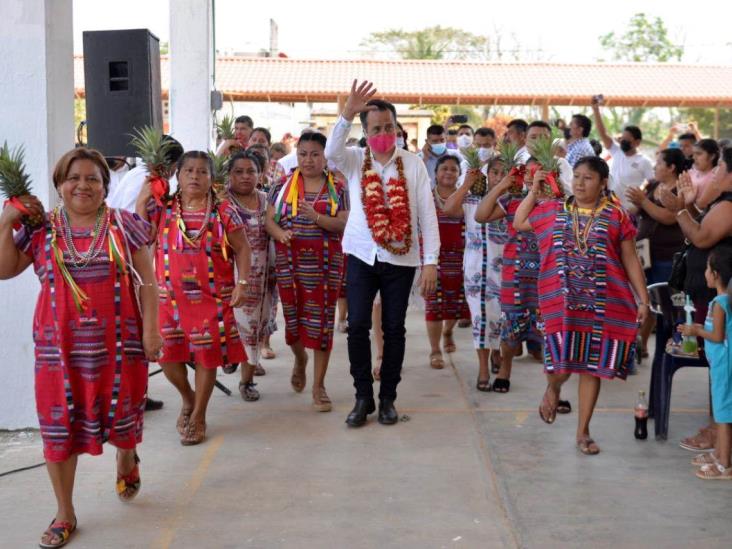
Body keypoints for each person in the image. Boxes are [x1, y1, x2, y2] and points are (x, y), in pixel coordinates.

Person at [0, 147, 162, 547]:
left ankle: (126, 458)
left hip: (121, 346)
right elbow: (4, 270)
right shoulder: (40, 229)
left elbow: (149, 281)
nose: (83, 185)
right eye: (74, 178)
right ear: (59, 184)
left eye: (93, 178)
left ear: (106, 186)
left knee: (123, 423)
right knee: (59, 430)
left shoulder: (125, 225)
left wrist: (152, 331)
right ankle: (64, 512)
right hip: (59, 351)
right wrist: (6, 222)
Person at [514, 156, 650, 455]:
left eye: (588, 177)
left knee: (591, 367)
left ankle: (583, 432)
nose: (579, 182)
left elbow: (629, 258)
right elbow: (520, 222)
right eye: (576, 176)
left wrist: (643, 298)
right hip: (561, 303)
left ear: (603, 183)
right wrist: (534, 193)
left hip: (602, 303)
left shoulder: (617, 215)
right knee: (559, 365)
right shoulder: (554, 209)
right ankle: (554, 387)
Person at [325, 80, 439, 427]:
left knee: (394, 328)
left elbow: (426, 213)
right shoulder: (355, 161)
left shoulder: (414, 164)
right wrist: (346, 114)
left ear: (397, 128)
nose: (384, 132)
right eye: (376, 128)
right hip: (361, 255)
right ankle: (363, 397)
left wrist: (430, 260)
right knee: (357, 325)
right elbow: (331, 154)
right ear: (366, 131)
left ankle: (388, 397)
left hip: (401, 260)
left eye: (389, 126)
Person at [136, 151, 251, 446]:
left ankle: (199, 414)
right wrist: (142, 198)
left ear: (212, 178)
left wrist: (242, 282)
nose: (195, 177)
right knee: (166, 354)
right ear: (178, 175)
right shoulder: (164, 207)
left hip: (211, 298)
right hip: (168, 298)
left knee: (205, 356)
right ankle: (187, 397)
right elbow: (139, 235)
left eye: (202, 172)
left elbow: (243, 248)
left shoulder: (223, 210)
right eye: (189, 171)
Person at [265, 132, 349, 412]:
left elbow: (343, 224)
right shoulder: (281, 185)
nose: (308, 159)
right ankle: (300, 359)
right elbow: (267, 221)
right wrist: (280, 234)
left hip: (326, 267)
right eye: (303, 153)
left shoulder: (338, 187)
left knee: (322, 326)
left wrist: (317, 218)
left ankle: (319, 385)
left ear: (325, 156)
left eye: (314, 154)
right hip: (291, 265)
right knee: (293, 323)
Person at [660, 147, 732, 452]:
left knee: (720, 364)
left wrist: (678, 210)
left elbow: (701, 238)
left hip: (717, 295)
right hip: (707, 290)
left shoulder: (729, 207)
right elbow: (697, 230)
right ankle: (717, 426)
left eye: (720, 168)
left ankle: (720, 432)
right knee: (717, 363)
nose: (714, 173)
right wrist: (686, 207)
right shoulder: (721, 204)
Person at [474, 158, 544, 393]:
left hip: (547, 274)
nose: (532, 177)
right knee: (511, 323)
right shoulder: (513, 201)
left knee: (548, 326)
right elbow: (480, 216)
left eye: (538, 173)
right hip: (514, 273)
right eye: (529, 173)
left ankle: (553, 386)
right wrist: (502, 185)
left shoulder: (556, 202)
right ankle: (505, 370)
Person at [444, 155, 508, 388]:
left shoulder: (513, 202)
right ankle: (483, 367)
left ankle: (497, 351)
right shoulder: (471, 200)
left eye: (504, 173)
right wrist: (467, 184)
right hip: (475, 270)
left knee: (501, 316)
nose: (499, 178)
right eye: (495, 173)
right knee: (480, 317)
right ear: (487, 174)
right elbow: (449, 208)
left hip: (505, 271)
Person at [227, 151, 278, 401]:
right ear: (229, 175)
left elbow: (277, 231)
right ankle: (229, 358)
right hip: (227, 279)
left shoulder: (267, 200)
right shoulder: (219, 201)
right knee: (227, 329)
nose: (245, 176)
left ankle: (246, 381)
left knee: (253, 330)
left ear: (261, 174)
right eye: (239, 171)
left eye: (251, 171)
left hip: (260, 280)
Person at [678, 246, 732, 479]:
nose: (705, 273)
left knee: (723, 415)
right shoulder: (721, 301)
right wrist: (699, 328)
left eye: (708, 269)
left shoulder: (720, 303)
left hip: (723, 365)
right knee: (721, 412)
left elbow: (718, 336)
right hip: (719, 364)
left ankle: (724, 463)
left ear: (717, 274)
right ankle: (719, 452)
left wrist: (696, 331)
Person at [627, 148, 686, 358]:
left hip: (666, 256)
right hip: (645, 254)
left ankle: (670, 344)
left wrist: (643, 201)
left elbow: (669, 217)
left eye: (659, 163)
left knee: (666, 303)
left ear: (671, 167)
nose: (654, 166)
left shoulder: (681, 190)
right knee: (646, 300)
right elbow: (638, 212)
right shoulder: (653, 185)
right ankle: (641, 344)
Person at [423, 155, 470, 368]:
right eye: (444, 169)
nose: (449, 173)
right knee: (433, 305)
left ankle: (448, 331)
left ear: (459, 174)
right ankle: (435, 349)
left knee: (456, 303)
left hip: (461, 259)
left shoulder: (466, 197)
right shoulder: (425, 197)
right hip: (433, 260)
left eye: (453, 169)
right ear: (436, 172)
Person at [591, 96, 654, 214]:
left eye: (627, 139)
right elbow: (603, 133)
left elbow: (652, 184)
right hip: (610, 206)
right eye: (623, 138)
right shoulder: (617, 151)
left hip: (630, 210)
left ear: (637, 142)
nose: (623, 141)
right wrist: (596, 110)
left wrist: (642, 204)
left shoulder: (644, 161)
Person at [106, 135, 184, 213]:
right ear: (172, 164)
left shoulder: (138, 172)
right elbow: (131, 214)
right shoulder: (148, 179)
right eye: (177, 166)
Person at [689, 138, 720, 208]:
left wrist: (690, 200)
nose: (694, 157)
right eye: (693, 154)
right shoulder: (691, 172)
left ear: (712, 156)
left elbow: (701, 205)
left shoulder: (716, 176)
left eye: (698, 154)